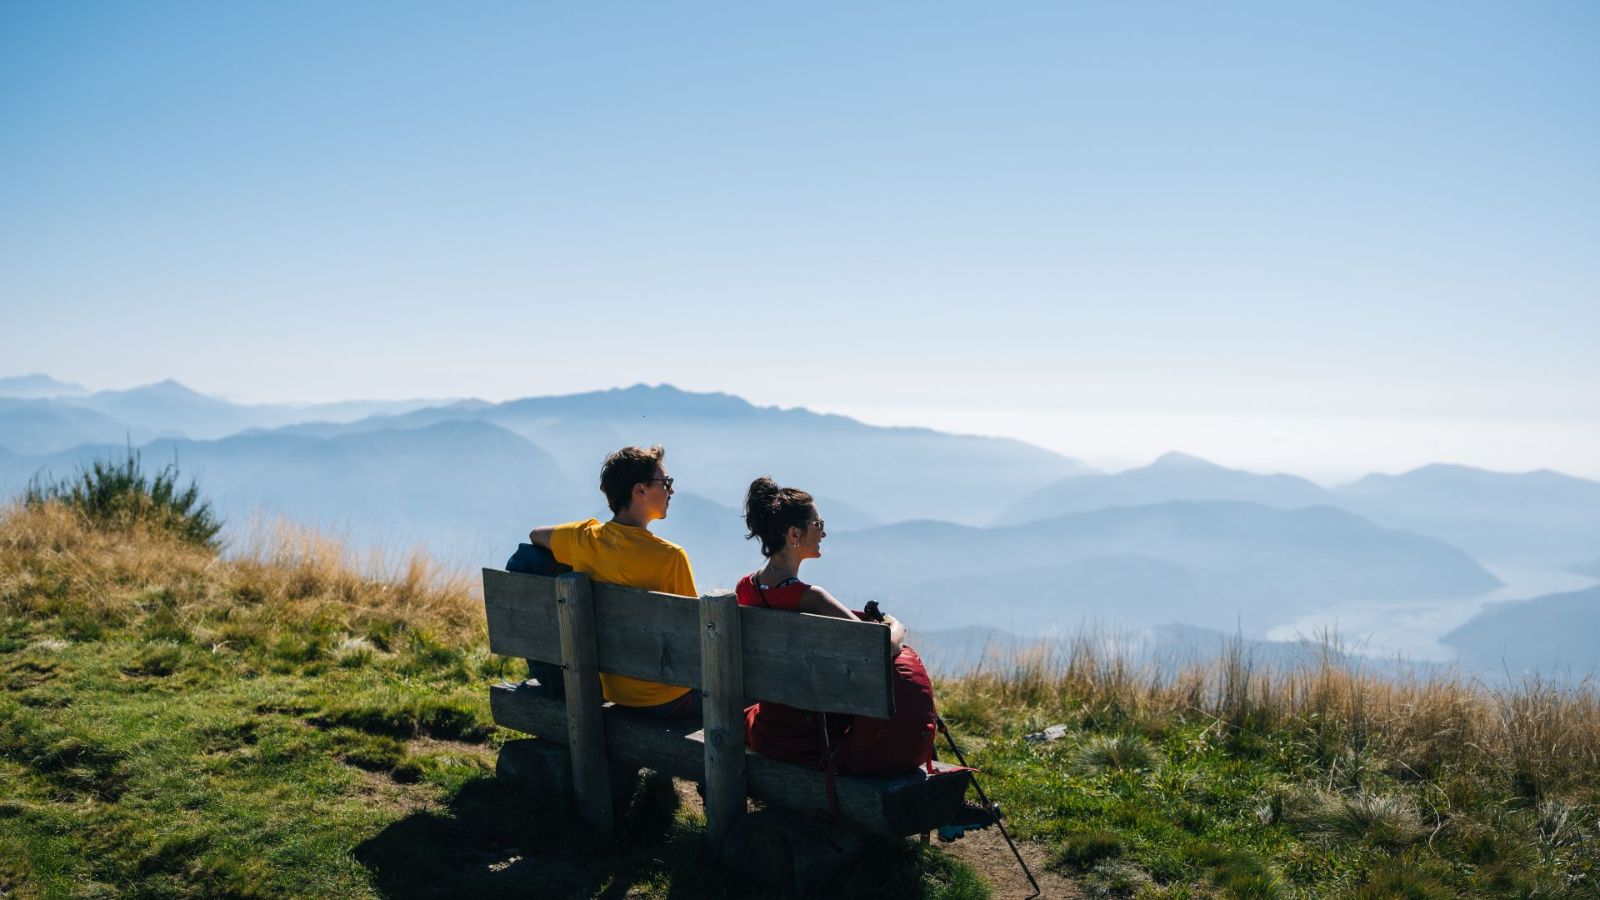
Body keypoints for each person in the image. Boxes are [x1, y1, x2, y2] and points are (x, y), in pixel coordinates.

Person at [735, 476, 905, 764]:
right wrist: (895, 626)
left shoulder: (744, 588)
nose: (824, 533)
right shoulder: (812, 598)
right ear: (794, 535)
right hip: (811, 733)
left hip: (767, 727)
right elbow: (880, 650)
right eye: (818, 525)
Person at [526, 445, 702, 718]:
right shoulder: (671, 558)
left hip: (616, 691)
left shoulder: (584, 538)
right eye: (665, 482)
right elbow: (695, 640)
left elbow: (536, 534)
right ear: (640, 490)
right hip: (669, 697)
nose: (671, 490)